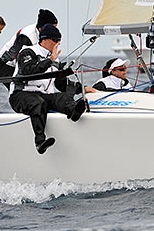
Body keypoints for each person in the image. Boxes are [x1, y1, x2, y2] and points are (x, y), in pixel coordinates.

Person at [9, 24, 97, 154]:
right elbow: (29, 71)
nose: (58, 43)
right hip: (21, 94)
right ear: (44, 39)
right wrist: (50, 60)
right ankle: (40, 142)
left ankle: (73, 112)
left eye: (59, 41)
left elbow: (61, 84)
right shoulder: (28, 52)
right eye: (55, 40)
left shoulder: (55, 59)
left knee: (63, 98)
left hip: (43, 95)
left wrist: (82, 88)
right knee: (38, 103)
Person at [0, 8, 58, 89]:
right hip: (7, 65)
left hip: (26, 66)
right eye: (53, 28)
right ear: (41, 28)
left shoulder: (46, 36)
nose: (55, 31)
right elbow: (22, 63)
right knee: (22, 92)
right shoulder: (27, 36)